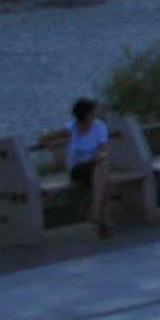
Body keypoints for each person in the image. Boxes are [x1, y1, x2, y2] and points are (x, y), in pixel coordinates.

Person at [61, 97, 113, 237]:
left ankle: (99, 218)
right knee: (105, 178)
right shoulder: (70, 129)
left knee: (103, 174)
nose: (95, 114)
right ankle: (101, 220)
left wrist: (97, 156)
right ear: (85, 114)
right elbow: (45, 138)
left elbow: (103, 149)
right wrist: (52, 150)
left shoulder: (100, 126)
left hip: (95, 165)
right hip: (77, 169)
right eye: (92, 112)